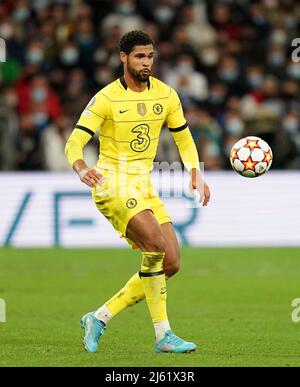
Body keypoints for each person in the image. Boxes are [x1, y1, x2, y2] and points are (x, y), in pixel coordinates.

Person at [65, 30, 210, 354]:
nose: (147, 63)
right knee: (156, 246)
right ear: (123, 58)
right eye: (140, 57)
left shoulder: (166, 95)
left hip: (143, 184)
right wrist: (80, 167)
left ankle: (99, 317)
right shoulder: (105, 98)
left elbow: (183, 138)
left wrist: (196, 173)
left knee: (171, 262)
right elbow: (74, 142)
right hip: (111, 182)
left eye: (150, 56)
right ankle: (163, 336)